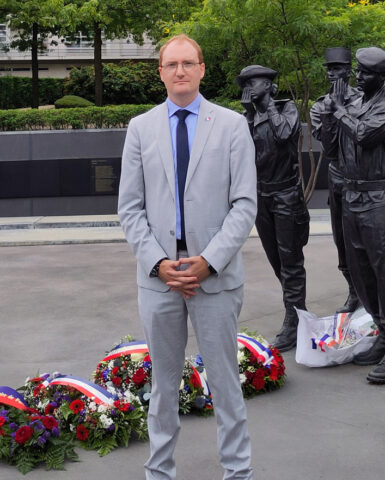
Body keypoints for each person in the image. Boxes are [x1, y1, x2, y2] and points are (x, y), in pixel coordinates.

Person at [118, 34, 257, 479]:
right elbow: (130, 208)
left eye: (188, 63)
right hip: (159, 279)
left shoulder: (232, 125)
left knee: (224, 381)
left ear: (201, 69)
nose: (180, 71)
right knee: (162, 385)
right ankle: (159, 472)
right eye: (171, 64)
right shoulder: (140, 128)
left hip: (214, 277)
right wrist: (159, 264)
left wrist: (209, 260)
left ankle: (238, 472)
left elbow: (244, 204)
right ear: (160, 72)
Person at [237, 65, 309, 352]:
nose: (248, 88)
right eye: (246, 84)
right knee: (276, 260)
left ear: (268, 85)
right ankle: (297, 310)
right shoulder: (248, 118)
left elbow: (284, 135)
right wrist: (251, 115)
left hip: (286, 195)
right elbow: (242, 153)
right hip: (261, 197)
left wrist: (265, 108)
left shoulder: (287, 109)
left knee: (291, 261)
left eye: (253, 83)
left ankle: (294, 320)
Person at [328, 46, 385, 383]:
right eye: (358, 73)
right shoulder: (355, 103)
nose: (357, 78)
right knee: (361, 270)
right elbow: (334, 146)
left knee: (382, 271)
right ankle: (381, 332)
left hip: (378, 197)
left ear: (380, 77)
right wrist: (328, 115)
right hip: (351, 194)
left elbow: (365, 135)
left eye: (365, 73)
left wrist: (338, 113)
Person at [310, 47, 361, 313]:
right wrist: (332, 111)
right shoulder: (320, 106)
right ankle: (354, 291)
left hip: (366, 180)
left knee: (369, 243)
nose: (332, 74)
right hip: (338, 177)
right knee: (343, 241)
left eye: (338, 69)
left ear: (349, 71)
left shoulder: (367, 100)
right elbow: (329, 149)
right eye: (329, 69)